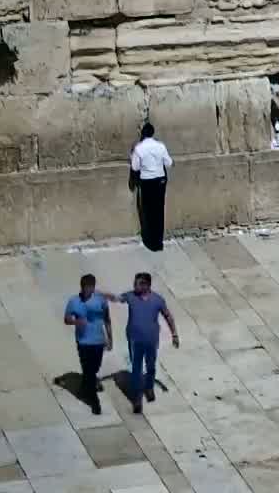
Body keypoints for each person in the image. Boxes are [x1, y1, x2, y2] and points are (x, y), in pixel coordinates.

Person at [109, 272, 177, 414]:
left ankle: (149, 387)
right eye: (135, 283)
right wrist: (102, 294)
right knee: (136, 370)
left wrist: (174, 334)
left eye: (138, 283)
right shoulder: (130, 296)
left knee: (151, 366)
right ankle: (137, 399)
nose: (134, 286)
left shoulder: (157, 300)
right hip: (135, 340)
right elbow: (117, 298)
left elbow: (168, 317)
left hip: (151, 340)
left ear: (146, 285)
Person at [62, 274, 112, 415]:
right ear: (81, 286)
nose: (86, 291)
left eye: (89, 288)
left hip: (98, 341)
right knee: (89, 370)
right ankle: (94, 402)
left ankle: (85, 386)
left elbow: (107, 320)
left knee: (94, 368)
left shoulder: (101, 300)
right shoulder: (74, 301)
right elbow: (66, 319)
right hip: (83, 341)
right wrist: (76, 322)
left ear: (93, 287)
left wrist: (110, 338)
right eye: (84, 288)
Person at [130, 122, 172, 251]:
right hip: (160, 181)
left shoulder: (139, 148)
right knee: (159, 211)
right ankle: (158, 241)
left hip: (147, 182)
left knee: (148, 211)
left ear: (143, 134)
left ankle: (150, 240)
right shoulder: (160, 146)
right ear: (153, 133)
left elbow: (135, 167)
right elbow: (169, 163)